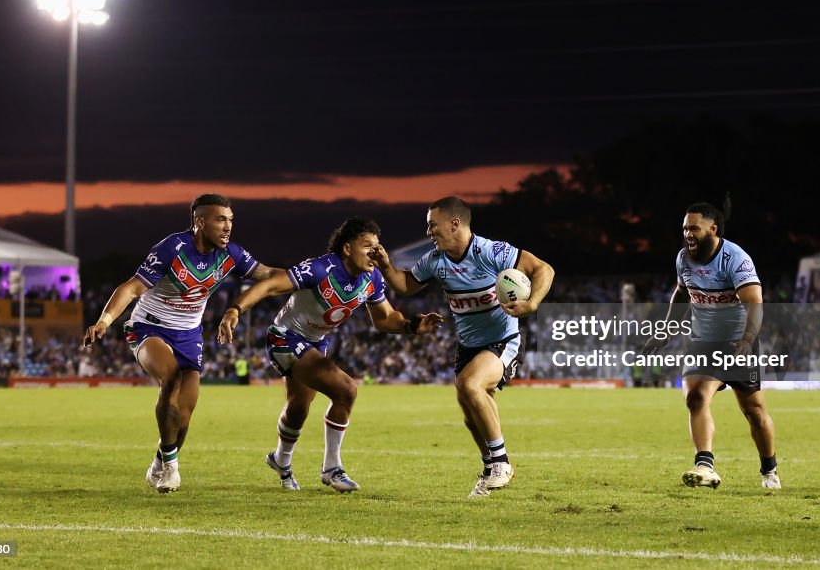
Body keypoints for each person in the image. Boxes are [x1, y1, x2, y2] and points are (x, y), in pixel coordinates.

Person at [217, 216, 443, 493]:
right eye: (367, 246)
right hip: (285, 338)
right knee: (345, 389)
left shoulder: (372, 277)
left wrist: (411, 326)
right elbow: (269, 285)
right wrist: (234, 310)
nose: (375, 252)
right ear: (347, 249)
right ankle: (332, 469)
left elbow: (384, 319)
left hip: (315, 342)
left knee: (298, 408)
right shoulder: (320, 268)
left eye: (377, 247)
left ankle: (280, 460)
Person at [83, 194, 277, 494]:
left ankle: (162, 460)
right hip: (149, 327)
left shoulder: (232, 255)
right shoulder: (172, 248)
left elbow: (268, 274)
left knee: (184, 415)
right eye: (220, 219)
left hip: (189, 335)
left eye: (230, 220)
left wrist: (308, 277)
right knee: (169, 377)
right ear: (200, 222)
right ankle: (172, 468)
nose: (228, 227)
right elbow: (132, 286)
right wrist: (104, 322)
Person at [370, 197, 554, 498]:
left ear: (454, 224)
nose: (429, 231)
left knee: (470, 385)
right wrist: (387, 266)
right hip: (468, 345)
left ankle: (501, 464)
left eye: (432, 224)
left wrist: (532, 303)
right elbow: (405, 285)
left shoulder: (490, 251)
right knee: (471, 413)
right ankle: (488, 467)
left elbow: (543, 269)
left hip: (502, 339)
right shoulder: (435, 260)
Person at [644, 200, 780, 490]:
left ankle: (769, 469)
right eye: (684, 228)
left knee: (754, 412)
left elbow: (754, 303)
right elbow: (682, 294)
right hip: (703, 341)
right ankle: (704, 465)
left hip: (738, 342)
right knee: (695, 397)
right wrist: (665, 330)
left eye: (694, 228)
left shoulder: (735, 259)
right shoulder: (684, 258)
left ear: (713, 229)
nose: (688, 234)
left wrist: (747, 340)